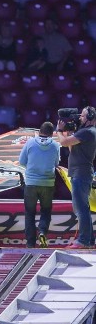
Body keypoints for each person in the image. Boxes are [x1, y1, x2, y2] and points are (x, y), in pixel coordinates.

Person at [57, 107, 96, 249]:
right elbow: (72, 148)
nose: (80, 117)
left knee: (81, 209)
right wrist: (70, 133)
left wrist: (60, 131)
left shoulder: (88, 132)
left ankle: (84, 241)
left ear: (90, 117)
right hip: (79, 172)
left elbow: (63, 143)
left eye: (83, 115)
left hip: (81, 173)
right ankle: (89, 240)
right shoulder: (86, 132)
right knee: (83, 208)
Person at [19, 122, 61, 248]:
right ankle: (42, 232)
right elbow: (56, 164)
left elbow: (22, 161)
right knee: (46, 211)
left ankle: (30, 244)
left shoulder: (30, 142)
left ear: (39, 131)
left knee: (30, 213)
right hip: (47, 184)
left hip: (31, 183)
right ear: (52, 133)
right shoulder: (55, 145)